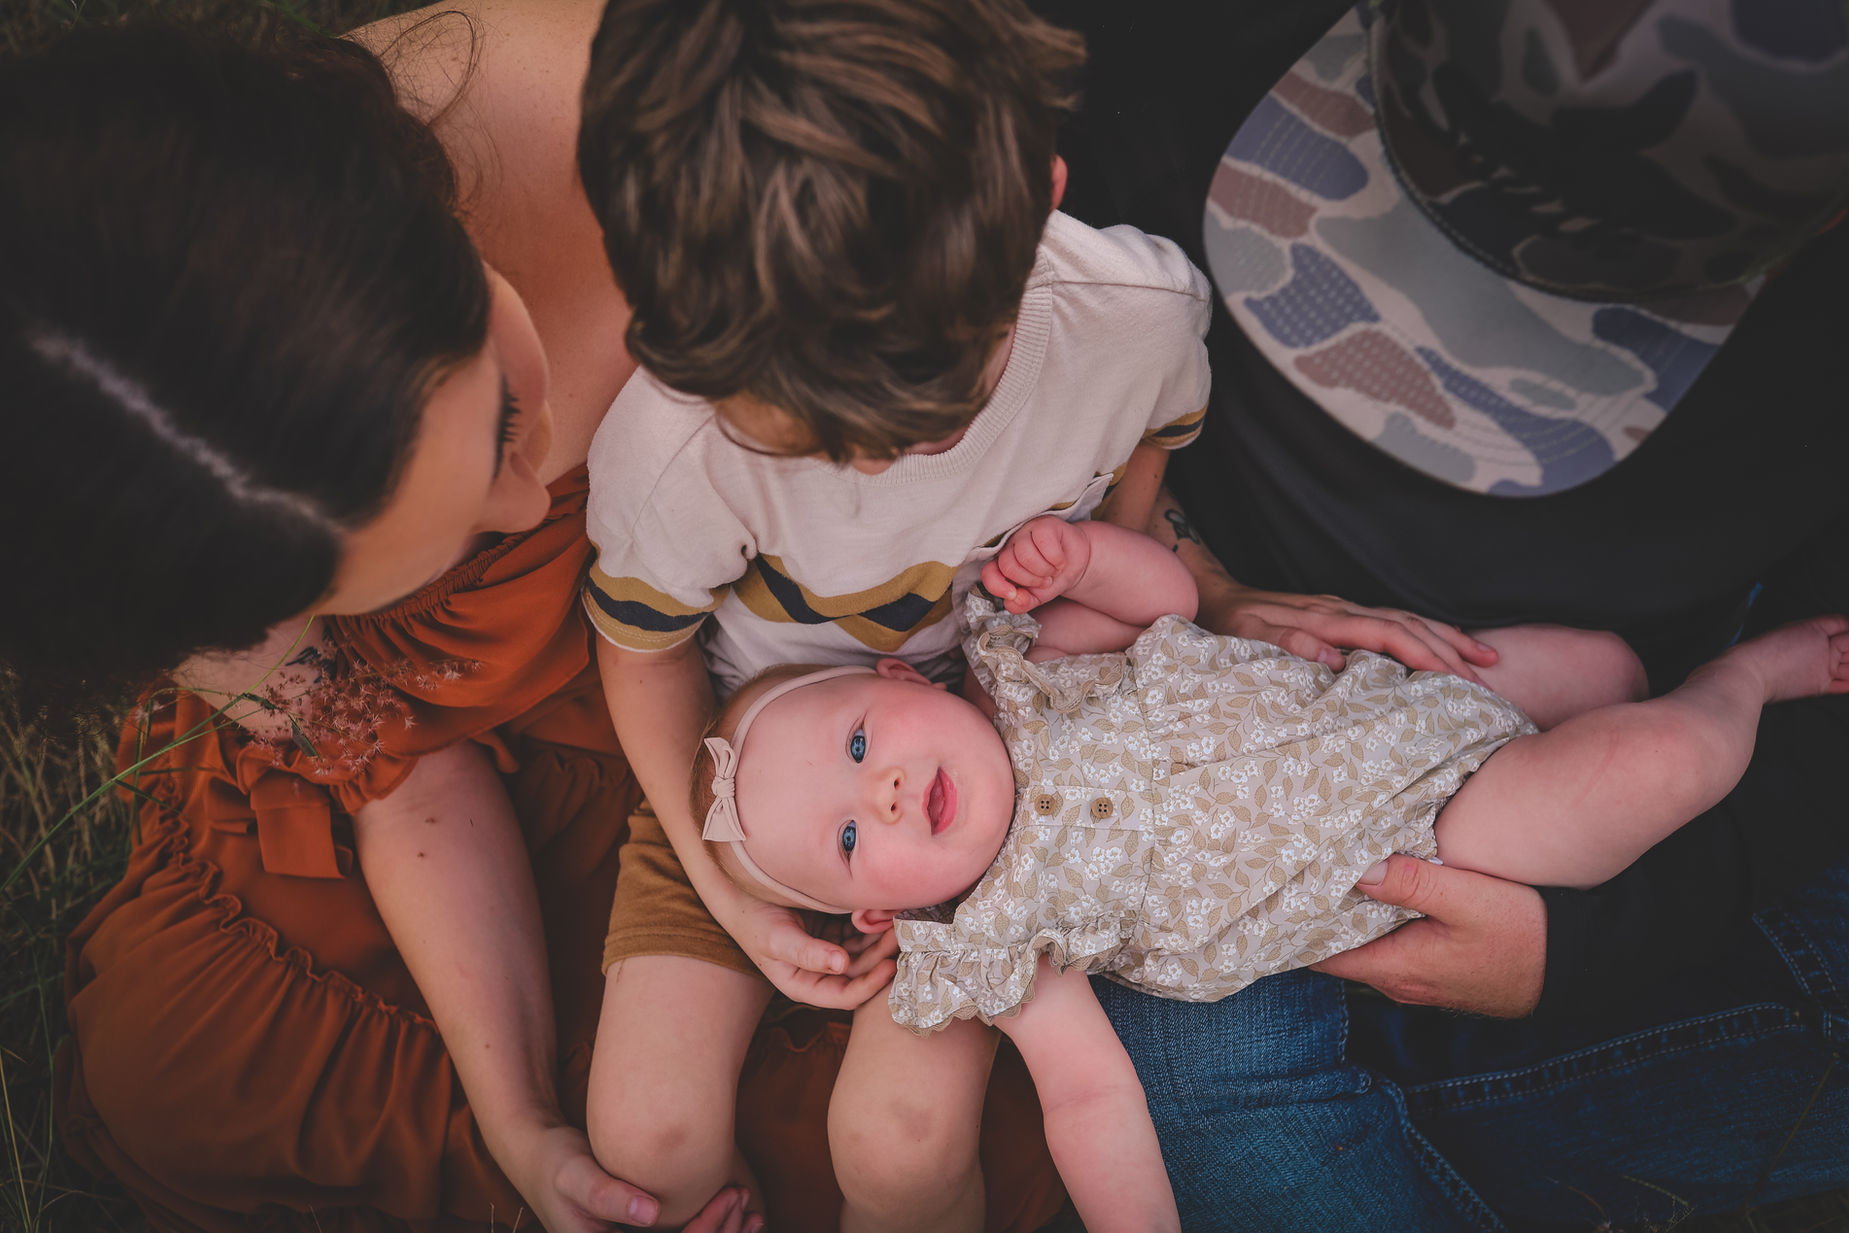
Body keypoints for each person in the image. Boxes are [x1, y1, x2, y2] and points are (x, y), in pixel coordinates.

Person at [4, 16, 1040, 1233]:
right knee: (185, 1072)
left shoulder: (727, 149)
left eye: (499, 418)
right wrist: (519, 1123)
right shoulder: (149, 487)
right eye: (428, 547)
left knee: (901, 1136)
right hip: (510, 759)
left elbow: (1035, 387)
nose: (524, 502)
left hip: (787, 700)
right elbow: (395, 762)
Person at [1031, 0, 1849, 1226]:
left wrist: (1587, 941)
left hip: (1599, 771)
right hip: (1208, 721)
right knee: (1212, 1101)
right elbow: (1032, 367)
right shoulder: (1153, 43)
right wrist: (1196, 574)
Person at [689, 511, 1847, 1230]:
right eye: (851, 839)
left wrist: (1085, 556)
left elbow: (1168, 600)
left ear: (902, 681)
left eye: (859, 747)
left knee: (1608, 667)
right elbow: (1089, 1098)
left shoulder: (1028, 666)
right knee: (1660, 764)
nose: (884, 794)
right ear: (878, 912)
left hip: (1397, 693)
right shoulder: (1002, 936)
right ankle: (1743, 683)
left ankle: (1694, 684)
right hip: (1439, 829)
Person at [569, 2, 1211, 1228]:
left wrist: (1100, 596)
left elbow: (1146, 457)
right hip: (742, 773)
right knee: (646, 1145)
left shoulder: (1134, 322)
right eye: (817, 433)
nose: (874, 466)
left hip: (989, 767)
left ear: (1036, 205)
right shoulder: (679, 449)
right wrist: (724, 883)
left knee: (901, 1150)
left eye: (928, 415)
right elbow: (641, 654)